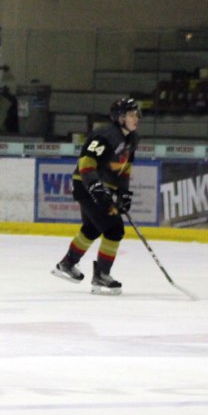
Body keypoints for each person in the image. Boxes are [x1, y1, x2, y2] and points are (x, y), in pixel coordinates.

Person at [51, 97, 140, 296]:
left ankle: (67, 264)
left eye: (137, 114)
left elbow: (125, 171)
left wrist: (123, 193)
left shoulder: (132, 139)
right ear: (120, 118)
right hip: (85, 184)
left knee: (91, 228)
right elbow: (86, 163)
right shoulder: (105, 135)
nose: (136, 118)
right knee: (114, 229)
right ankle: (101, 275)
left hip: (101, 187)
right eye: (131, 115)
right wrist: (96, 187)